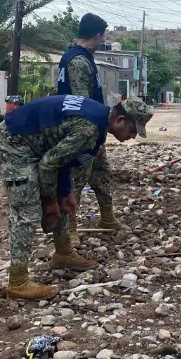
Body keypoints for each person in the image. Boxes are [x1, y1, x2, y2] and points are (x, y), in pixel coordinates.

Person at [0, 94, 152, 300]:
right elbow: (49, 164)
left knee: (63, 201)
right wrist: (50, 201)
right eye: (132, 130)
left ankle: (63, 252)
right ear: (119, 120)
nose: (133, 136)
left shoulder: (98, 118)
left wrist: (65, 192)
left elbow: (63, 159)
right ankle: (18, 282)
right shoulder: (89, 128)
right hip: (13, 145)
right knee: (27, 210)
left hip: (34, 146)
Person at [56, 13, 122, 245]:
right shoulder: (78, 61)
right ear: (97, 36)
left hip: (92, 131)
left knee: (102, 173)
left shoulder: (83, 58)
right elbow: (82, 103)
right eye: (102, 37)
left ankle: (107, 217)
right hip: (80, 131)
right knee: (76, 180)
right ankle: (69, 229)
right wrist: (92, 139)